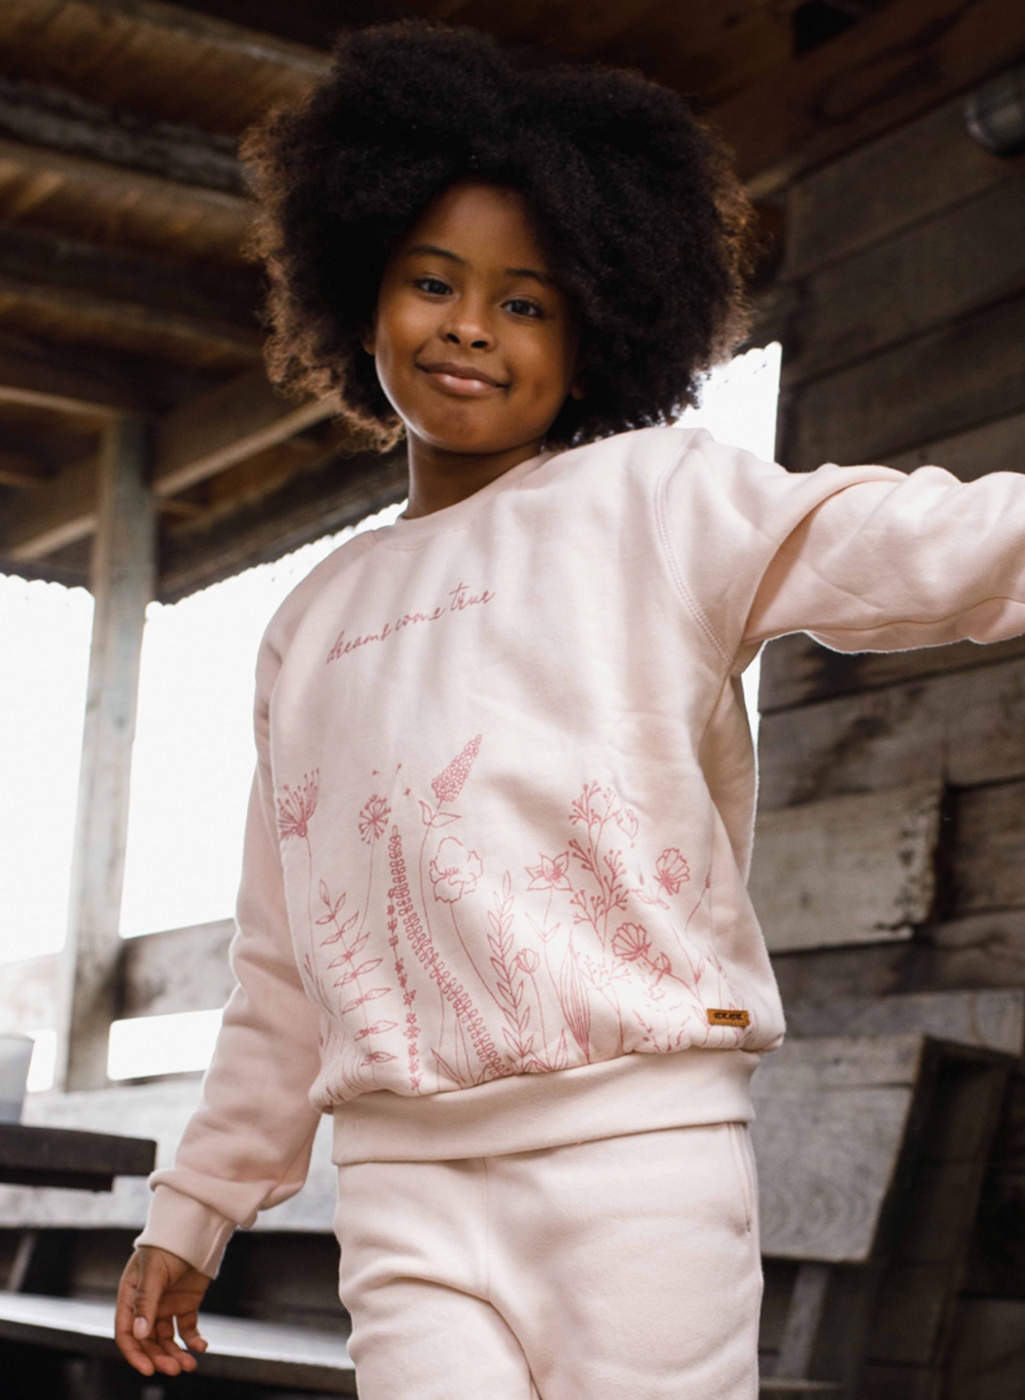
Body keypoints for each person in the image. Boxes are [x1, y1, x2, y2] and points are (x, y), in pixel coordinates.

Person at [114, 21, 1025, 1400]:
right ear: (360, 298)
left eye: (527, 303)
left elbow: (913, 543)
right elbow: (285, 956)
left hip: (637, 1172)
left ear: (598, 335)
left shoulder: (657, 499)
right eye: (432, 281)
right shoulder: (310, 621)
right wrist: (197, 1204)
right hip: (402, 1194)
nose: (470, 324)